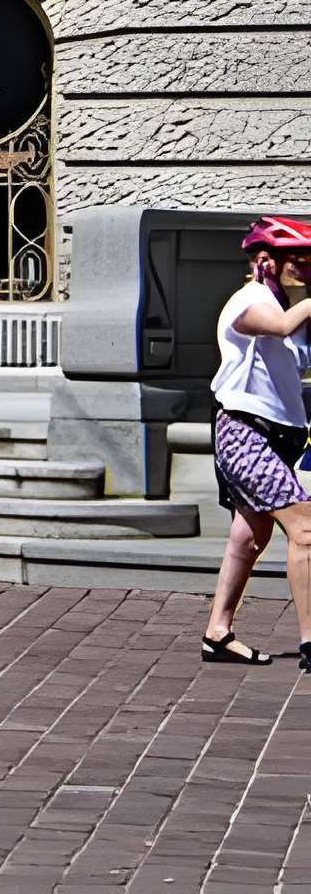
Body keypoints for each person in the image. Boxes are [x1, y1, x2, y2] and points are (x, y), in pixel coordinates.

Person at [199, 217, 311, 665]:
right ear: (266, 261)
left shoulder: (292, 305)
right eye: (297, 262)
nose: (305, 270)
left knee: (249, 538)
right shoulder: (249, 301)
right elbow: (279, 327)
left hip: (282, 437)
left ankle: (217, 634)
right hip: (244, 434)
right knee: (305, 528)